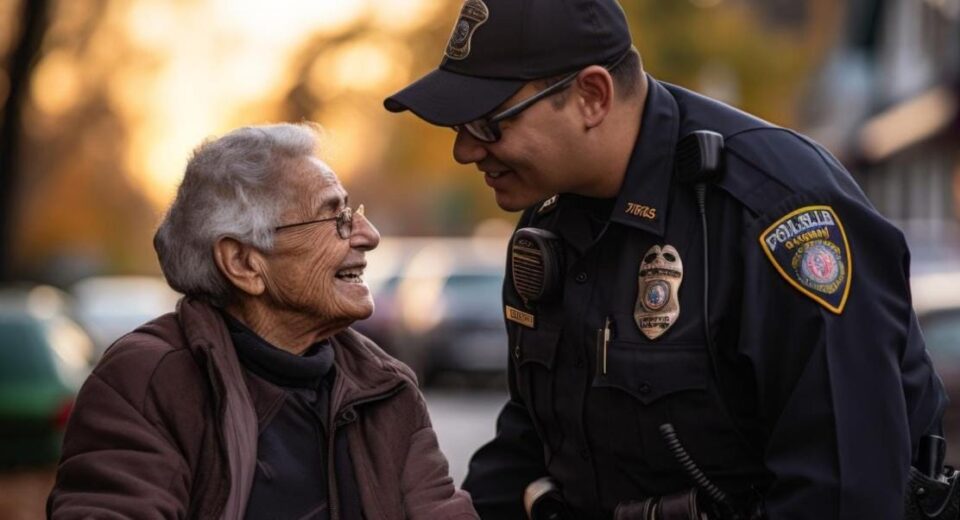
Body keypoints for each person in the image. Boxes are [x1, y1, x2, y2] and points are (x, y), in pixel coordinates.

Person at [383, 0, 949, 518]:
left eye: (488, 123)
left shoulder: (773, 210)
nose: (464, 150)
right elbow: (538, 439)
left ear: (592, 97)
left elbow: (845, 489)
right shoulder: (550, 218)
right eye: (459, 126)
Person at [47, 123, 478, 520]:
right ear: (244, 263)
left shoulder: (386, 387)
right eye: (336, 217)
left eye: (354, 211)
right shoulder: (146, 382)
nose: (369, 235)